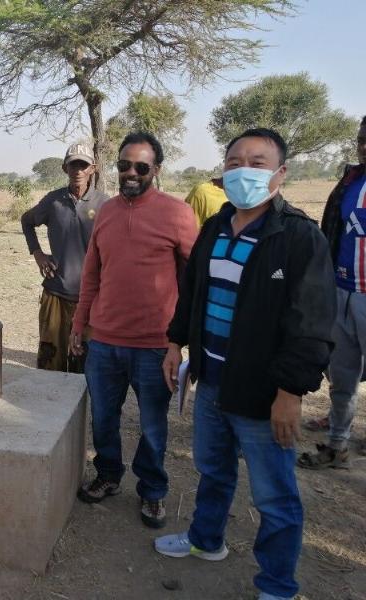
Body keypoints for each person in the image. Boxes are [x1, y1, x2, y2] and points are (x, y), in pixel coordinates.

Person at [156, 128, 336, 600]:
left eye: (257, 163)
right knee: (213, 470)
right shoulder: (215, 228)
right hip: (212, 381)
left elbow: (312, 324)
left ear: (281, 173)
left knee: (274, 496)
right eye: (234, 162)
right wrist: (176, 343)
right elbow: (192, 294)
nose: (243, 172)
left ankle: (277, 585)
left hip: (262, 393)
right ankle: (206, 540)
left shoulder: (299, 237)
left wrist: (290, 392)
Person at [69, 131, 197, 529]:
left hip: (156, 345)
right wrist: (79, 323)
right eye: (124, 165)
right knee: (104, 418)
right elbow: (92, 273)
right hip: (105, 341)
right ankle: (108, 474)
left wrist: (180, 341)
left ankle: (153, 490)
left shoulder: (178, 214)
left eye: (141, 167)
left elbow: (194, 281)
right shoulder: (106, 212)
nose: (131, 173)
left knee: (153, 426)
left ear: (155, 170)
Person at [298, 115, 366, 468]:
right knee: (341, 376)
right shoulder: (350, 182)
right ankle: (337, 445)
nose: (364, 146)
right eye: (362, 139)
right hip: (342, 291)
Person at [20, 143, 108, 372]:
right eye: (73, 165)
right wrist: (38, 254)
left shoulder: (105, 205)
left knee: (85, 368)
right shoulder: (53, 201)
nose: (78, 170)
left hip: (91, 298)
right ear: (64, 168)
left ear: (93, 169)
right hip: (56, 293)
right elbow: (27, 221)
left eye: (83, 165)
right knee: (51, 365)